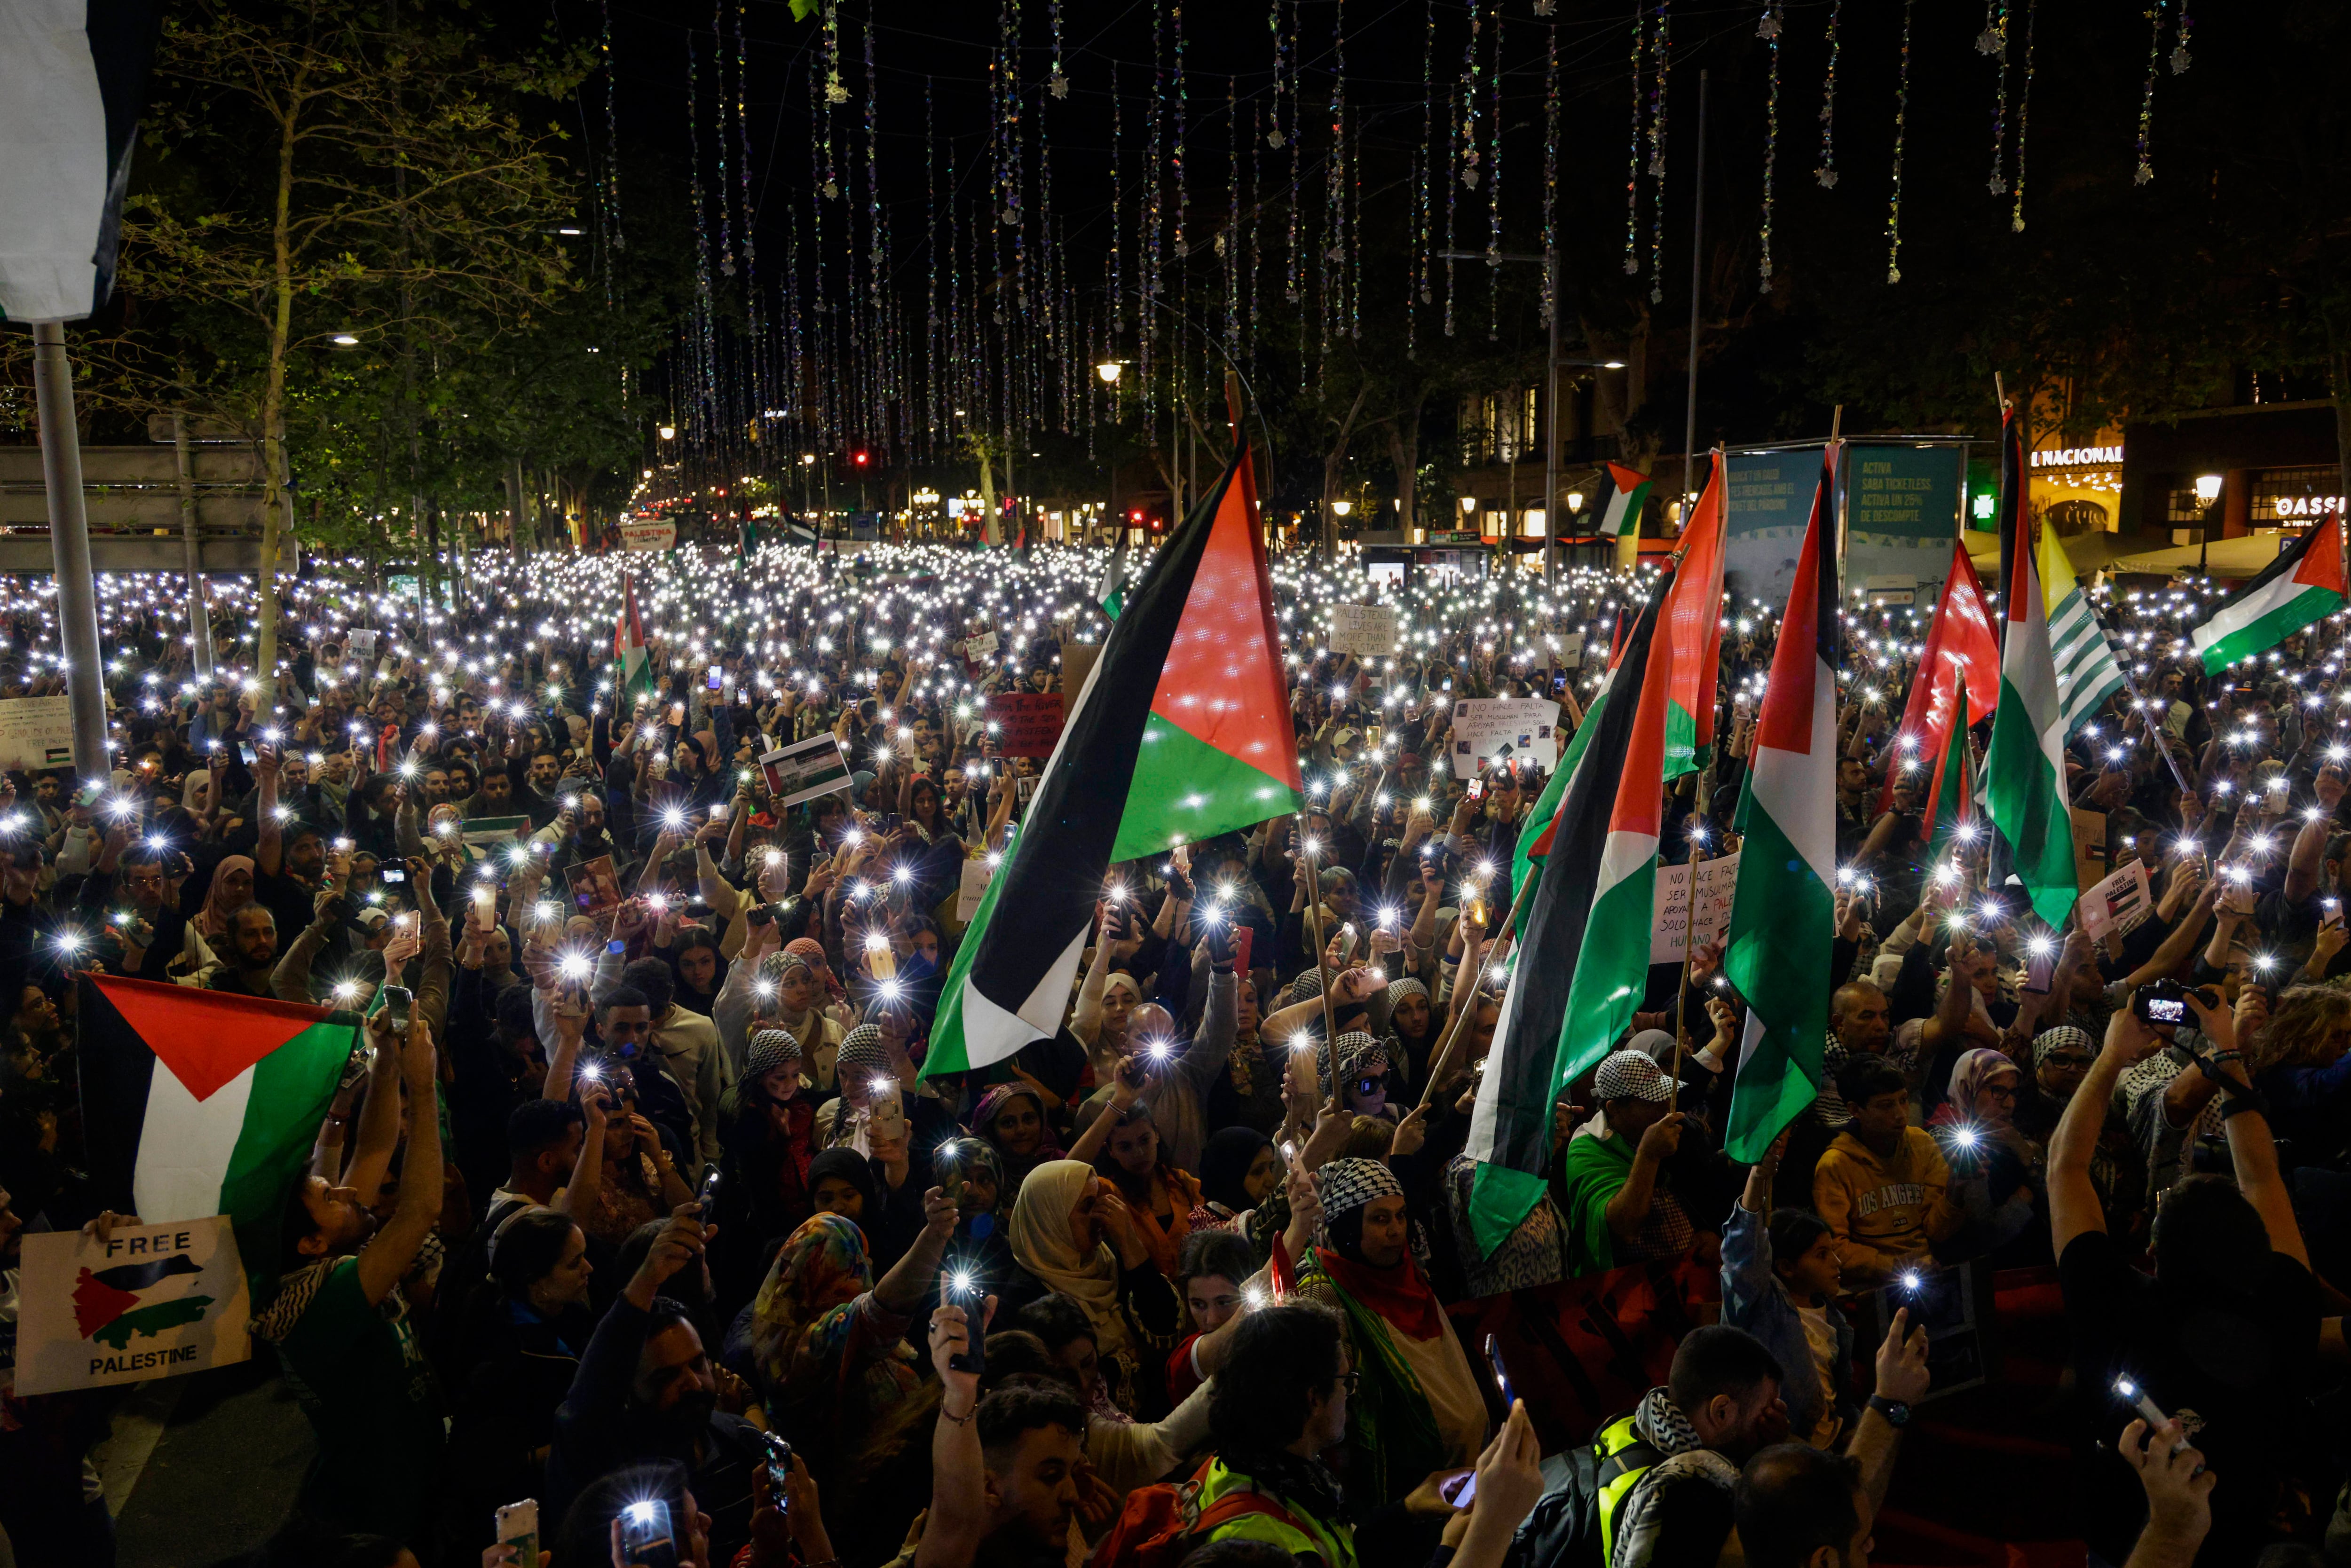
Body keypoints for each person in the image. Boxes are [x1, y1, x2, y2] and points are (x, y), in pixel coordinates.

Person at [2051, 992, 2320, 1566]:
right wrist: (2225, 1050)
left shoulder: (2113, 1303)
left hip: (2127, 1538)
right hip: (2244, 1533)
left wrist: (2109, 1056)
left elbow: (2065, 1165)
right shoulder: (2288, 1297)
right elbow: (2263, 1178)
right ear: (2258, 1245)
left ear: (2151, 1248)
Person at [248, 1011, 446, 1543]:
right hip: (383, 1499)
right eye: (327, 1196)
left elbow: (375, 1148)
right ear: (311, 1243)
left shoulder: (318, 1261)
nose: (345, 1190)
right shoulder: (320, 1300)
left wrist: (384, 1061)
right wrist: (422, 1089)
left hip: (407, 1467)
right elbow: (421, 1209)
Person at [545, 1205, 769, 1562]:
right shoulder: (611, 1473)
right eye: (667, 1376)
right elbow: (585, 1409)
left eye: (698, 1364)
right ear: (630, 1391)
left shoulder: (744, 1444)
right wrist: (647, 1278)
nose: (693, 1382)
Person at [1294, 1157, 1487, 1505]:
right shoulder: (1323, 1293)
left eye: (1401, 1215)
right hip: (1400, 1501)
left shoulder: (1409, 1276)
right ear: (1350, 1228)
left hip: (1460, 1478)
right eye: (1380, 1219)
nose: (1397, 1230)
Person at [1002, 1158, 1183, 1417]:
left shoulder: (1107, 1258)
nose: (1100, 1215)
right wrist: (1129, 1360)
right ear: (1052, 1217)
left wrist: (1130, 1241)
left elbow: (1164, 1323)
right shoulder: (1025, 1295)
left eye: (1100, 1201)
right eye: (1088, 1206)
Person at [1721, 1132, 1852, 1449]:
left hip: (1832, 1436)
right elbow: (1743, 1253)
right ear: (1786, 1267)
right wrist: (1758, 1176)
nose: (1836, 1263)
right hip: (1788, 1449)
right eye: (1821, 1254)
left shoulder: (1834, 1318)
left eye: (1833, 1251)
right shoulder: (1762, 1307)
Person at [1557, 1049, 1695, 1278]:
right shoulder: (1588, 1149)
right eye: (1652, 1101)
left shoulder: (1669, 1128)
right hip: (1630, 1288)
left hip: (1687, 1273)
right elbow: (1623, 1227)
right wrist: (1649, 1156)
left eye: (1666, 1095)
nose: (1666, 1108)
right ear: (1615, 1109)